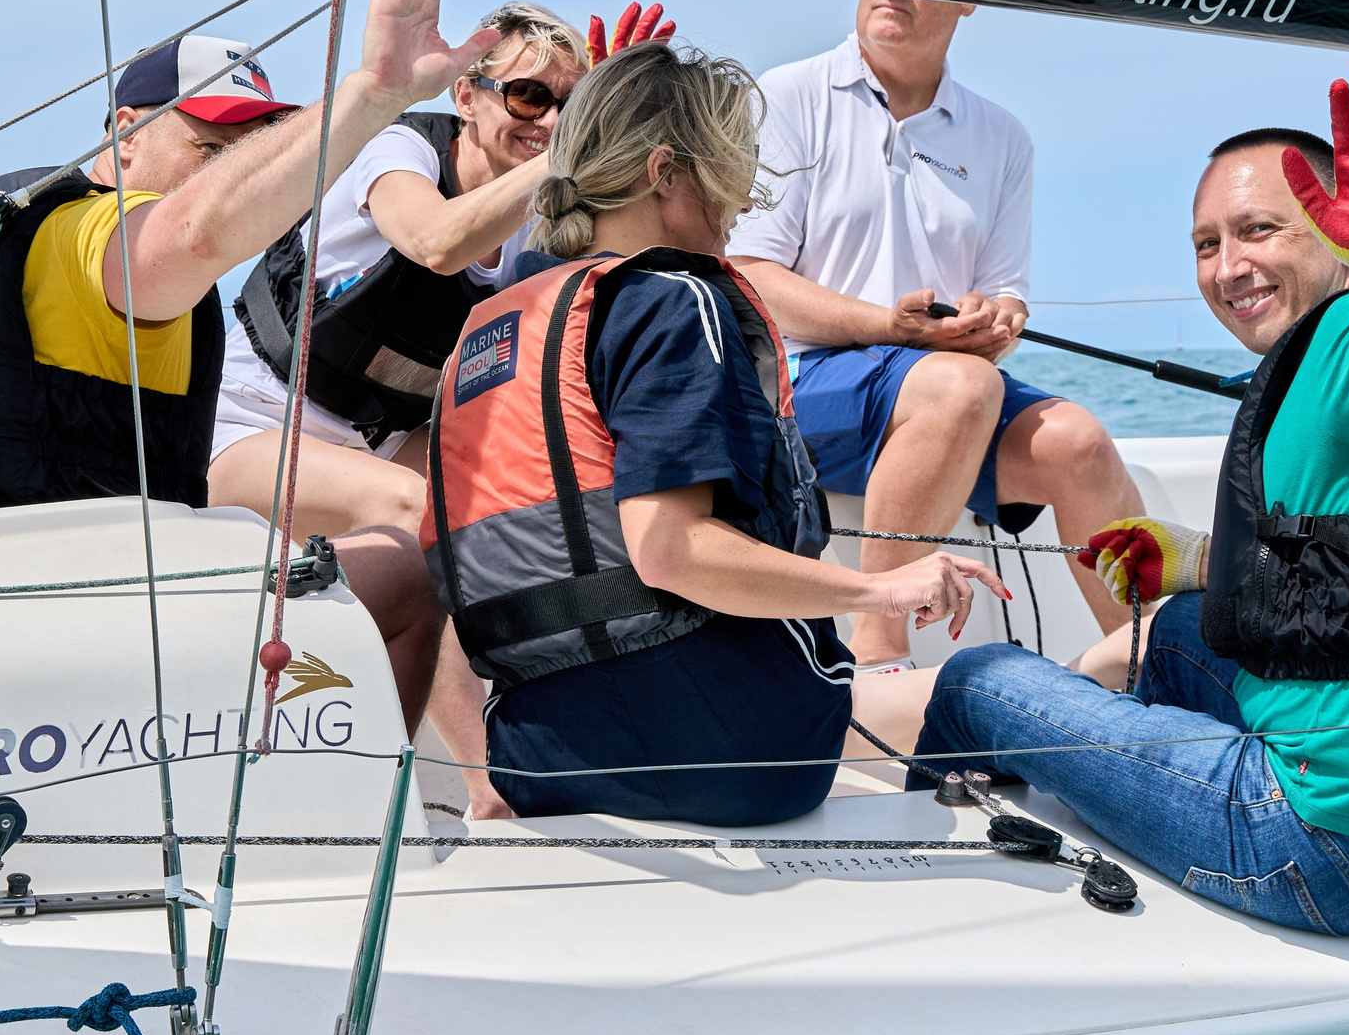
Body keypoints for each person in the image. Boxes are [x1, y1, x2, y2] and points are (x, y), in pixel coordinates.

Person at [0, 0, 500, 729]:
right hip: (72, 626)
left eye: (253, 150)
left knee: (394, 568)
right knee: (405, 572)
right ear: (127, 135)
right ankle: (388, 803)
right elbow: (197, 232)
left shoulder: (8, 245)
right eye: (212, 148)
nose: (232, 173)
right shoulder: (101, 236)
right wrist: (374, 96)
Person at [907, 69, 1349, 934]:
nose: (1228, 266)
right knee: (1181, 627)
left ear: (1341, 229)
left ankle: (930, 858)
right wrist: (1191, 558)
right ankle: (1103, 755)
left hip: (1330, 848)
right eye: (1206, 243)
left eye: (1259, 230)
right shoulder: (1347, 340)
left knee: (978, 680)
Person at [422, 41, 1006, 825]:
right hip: (739, 754)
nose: (738, 209)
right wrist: (882, 588)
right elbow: (669, 548)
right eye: (729, 174)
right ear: (665, 171)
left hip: (539, 759)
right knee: (997, 685)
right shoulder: (670, 301)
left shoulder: (486, 334)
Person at [210, 2, 666, 818]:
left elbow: (633, 249)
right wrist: (567, 150)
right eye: (529, 95)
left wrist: (617, 112)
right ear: (466, 96)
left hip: (380, 436)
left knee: (503, 519)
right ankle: (483, 788)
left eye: (568, 103)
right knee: (421, 514)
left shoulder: (536, 211)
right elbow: (436, 243)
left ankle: (453, 780)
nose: (548, 120)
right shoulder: (397, 152)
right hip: (252, 424)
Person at [726, 0, 1144, 670]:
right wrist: (894, 327)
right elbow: (750, 277)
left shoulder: (1003, 136)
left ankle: (1151, 668)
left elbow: (1005, 294)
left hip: (940, 394)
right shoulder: (786, 95)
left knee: (1079, 442)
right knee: (961, 384)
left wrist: (996, 319)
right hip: (795, 387)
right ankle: (878, 654)